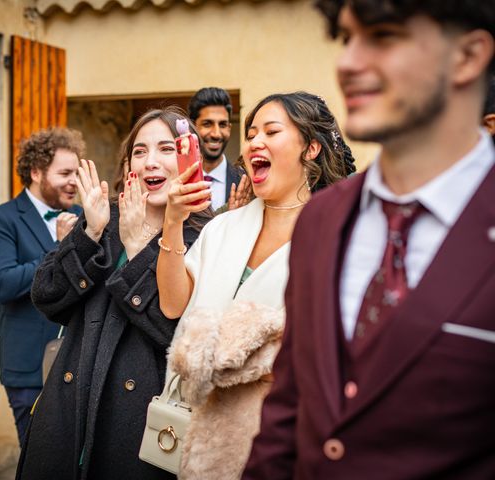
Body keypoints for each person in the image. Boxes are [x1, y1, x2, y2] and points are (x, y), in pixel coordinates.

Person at [243, 1, 495, 479]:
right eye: (345, 38)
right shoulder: (322, 219)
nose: (348, 63)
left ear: (468, 56)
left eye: (382, 36)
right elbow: (286, 414)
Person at [157, 92, 355, 479]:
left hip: (276, 436)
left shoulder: (338, 236)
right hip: (194, 431)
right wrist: (173, 220)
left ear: (311, 148)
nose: (254, 142)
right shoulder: (222, 228)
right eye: (250, 134)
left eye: (271, 131)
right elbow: (172, 304)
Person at [15, 108, 211, 480]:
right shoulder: (105, 223)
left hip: (140, 431)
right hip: (66, 419)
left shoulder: (203, 238)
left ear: (189, 159)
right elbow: (45, 296)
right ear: (127, 166)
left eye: (166, 149)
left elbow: (177, 337)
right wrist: (89, 232)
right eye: (139, 151)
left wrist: (138, 251)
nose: (150, 161)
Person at [0, 127, 84, 447]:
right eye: (65, 173)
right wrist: (57, 247)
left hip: (77, 365)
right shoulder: (1, 220)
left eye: (77, 173)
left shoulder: (82, 216)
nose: (74, 181)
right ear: (36, 172)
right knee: (38, 463)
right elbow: (2, 284)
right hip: (29, 372)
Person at [188, 87, 248, 210]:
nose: (216, 134)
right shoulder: (177, 181)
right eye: (207, 124)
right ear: (192, 127)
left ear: (229, 128)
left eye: (222, 125)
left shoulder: (245, 182)